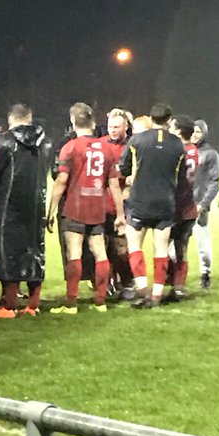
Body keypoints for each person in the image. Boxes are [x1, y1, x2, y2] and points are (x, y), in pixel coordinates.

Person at [47, 102, 124, 314]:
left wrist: (51, 211)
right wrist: (120, 214)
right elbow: (114, 184)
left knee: (74, 253)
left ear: (73, 122)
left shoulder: (70, 147)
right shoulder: (107, 148)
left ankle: (71, 303)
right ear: (93, 122)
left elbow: (61, 181)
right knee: (100, 253)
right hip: (97, 206)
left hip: (75, 206)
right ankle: (100, 301)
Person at [118, 103, 184, 309]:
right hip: (166, 202)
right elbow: (180, 176)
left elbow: (124, 167)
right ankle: (156, 294)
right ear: (169, 120)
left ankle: (141, 289)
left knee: (135, 246)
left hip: (140, 201)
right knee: (161, 248)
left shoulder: (136, 140)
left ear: (151, 118)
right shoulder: (178, 145)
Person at [0, 103, 51, 317]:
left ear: (10, 119)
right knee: (35, 248)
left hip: (8, 204)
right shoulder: (45, 144)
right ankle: (33, 303)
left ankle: (9, 303)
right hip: (36, 204)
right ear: (30, 117)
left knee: (8, 250)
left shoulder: (3, 142)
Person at [97, 108, 132, 296]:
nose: (112, 130)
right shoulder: (100, 144)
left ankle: (127, 282)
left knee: (121, 248)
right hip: (102, 204)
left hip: (124, 205)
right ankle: (107, 283)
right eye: (110, 126)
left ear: (126, 127)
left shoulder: (132, 146)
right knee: (102, 246)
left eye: (117, 127)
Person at [168, 116, 200, 300]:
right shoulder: (193, 150)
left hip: (176, 205)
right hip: (189, 205)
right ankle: (178, 284)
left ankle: (172, 282)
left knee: (163, 246)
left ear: (179, 131)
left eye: (172, 127)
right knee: (181, 248)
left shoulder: (177, 150)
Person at [191, 119, 219, 289]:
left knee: (202, 241)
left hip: (199, 204)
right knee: (174, 243)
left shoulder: (210, 154)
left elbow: (214, 181)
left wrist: (204, 203)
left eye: (198, 132)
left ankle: (205, 273)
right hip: (183, 204)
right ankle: (173, 274)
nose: (195, 135)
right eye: (193, 131)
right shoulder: (185, 150)